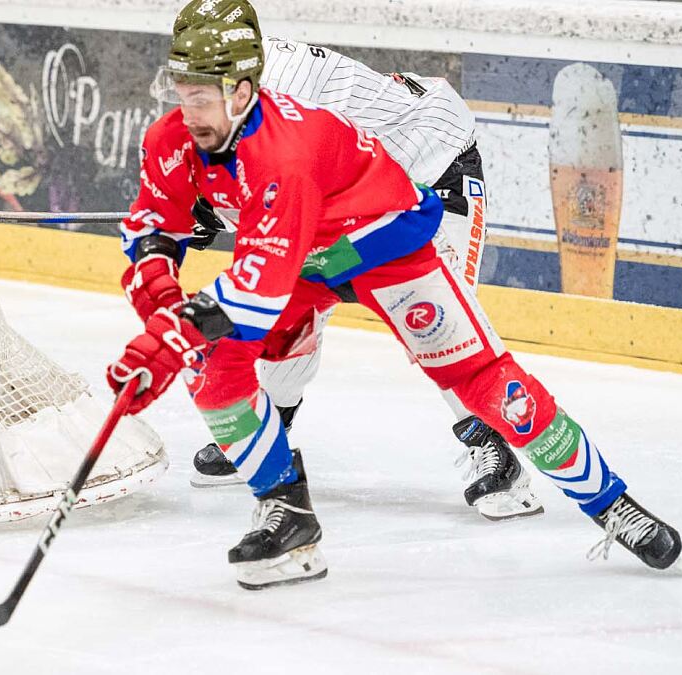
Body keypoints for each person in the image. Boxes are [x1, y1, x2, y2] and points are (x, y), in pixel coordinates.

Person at [106, 20, 682, 589]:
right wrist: (166, 299)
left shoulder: (286, 136)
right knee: (220, 365)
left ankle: (600, 498)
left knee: (472, 373)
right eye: (182, 93)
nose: (189, 113)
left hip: (389, 220)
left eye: (202, 97)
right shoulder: (180, 133)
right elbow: (159, 230)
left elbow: (260, 283)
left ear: (242, 89)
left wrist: (166, 341)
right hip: (310, 238)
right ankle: (287, 511)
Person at [166, 0, 538, 523]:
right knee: (289, 316)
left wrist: (216, 214)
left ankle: (496, 448)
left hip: (432, 169)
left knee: (436, 324)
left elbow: (286, 196)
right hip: (356, 188)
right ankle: (274, 422)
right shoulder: (236, 89)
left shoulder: (284, 88)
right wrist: (204, 205)